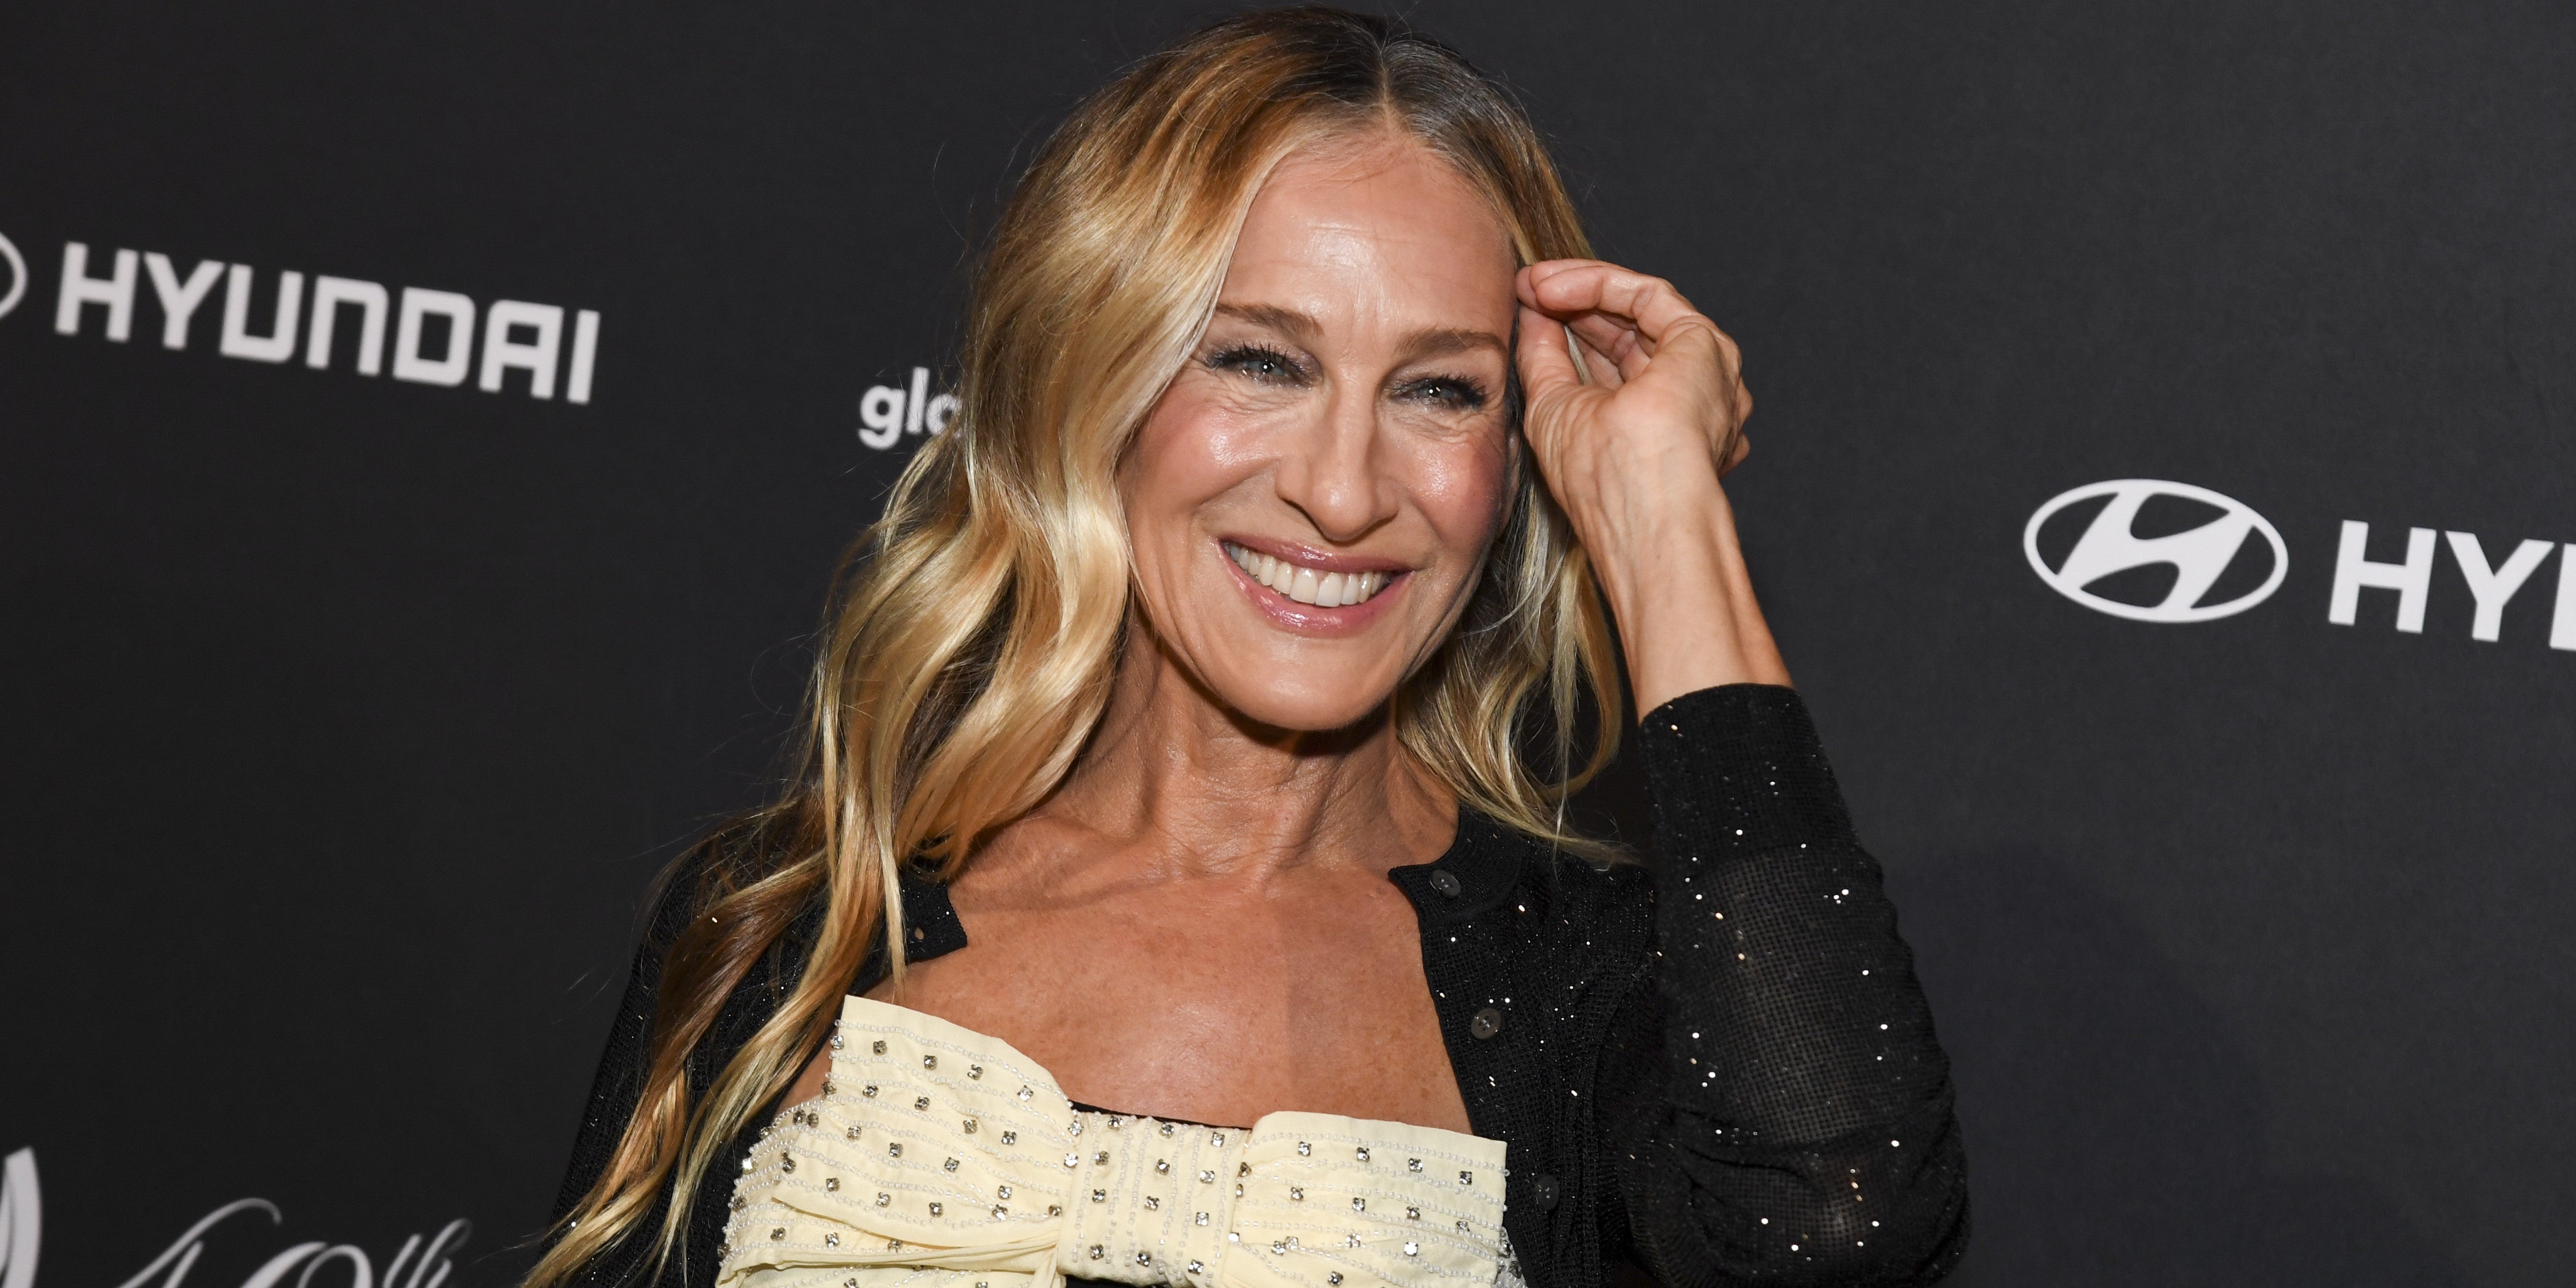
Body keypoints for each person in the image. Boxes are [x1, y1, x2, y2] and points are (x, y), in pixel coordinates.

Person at [533, 9, 1967, 1288]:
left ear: (1519, 451)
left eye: (1439, 390)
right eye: (1261, 361)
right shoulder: (795, 922)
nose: (1342, 492)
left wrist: (1660, 511)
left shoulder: (1591, 995)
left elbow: (1841, 1226)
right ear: (1095, 384)